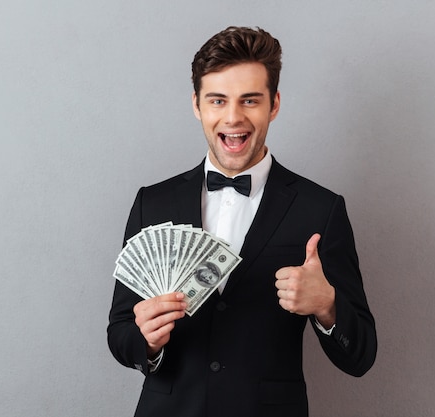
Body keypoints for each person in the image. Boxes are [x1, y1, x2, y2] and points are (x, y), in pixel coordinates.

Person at [108, 26, 377, 417]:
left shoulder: (321, 209)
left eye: (250, 100)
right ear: (197, 105)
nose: (233, 118)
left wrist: (328, 306)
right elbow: (120, 332)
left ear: (274, 104)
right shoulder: (153, 202)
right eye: (218, 100)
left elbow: (362, 355)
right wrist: (145, 342)